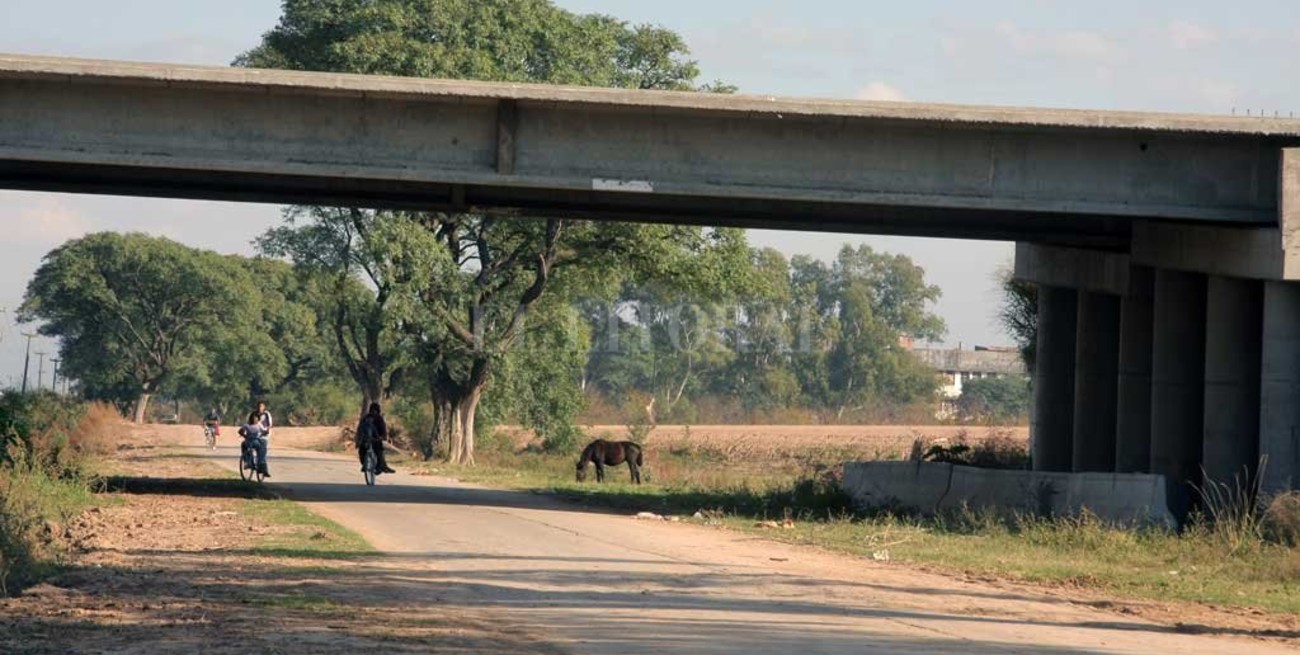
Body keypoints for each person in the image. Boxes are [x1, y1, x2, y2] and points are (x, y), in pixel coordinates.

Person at [357, 402, 396, 474]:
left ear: (377, 411)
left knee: (379, 451)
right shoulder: (366, 418)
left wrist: (383, 437)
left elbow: (383, 429)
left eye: (375, 410)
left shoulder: (379, 419)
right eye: (372, 410)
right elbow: (360, 429)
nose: (373, 412)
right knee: (362, 451)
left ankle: (380, 467)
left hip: (376, 439)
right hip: (367, 438)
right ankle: (365, 465)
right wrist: (359, 439)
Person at [238, 411, 270, 478]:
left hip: (249, 442)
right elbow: (264, 431)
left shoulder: (248, 425)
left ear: (258, 419)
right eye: (253, 418)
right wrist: (265, 432)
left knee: (244, 445)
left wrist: (245, 436)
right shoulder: (255, 425)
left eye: (255, 418)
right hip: (253, 441)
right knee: (261, 447)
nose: (254, 419)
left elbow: (240, 431)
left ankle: (247, 462)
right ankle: (259, 463)